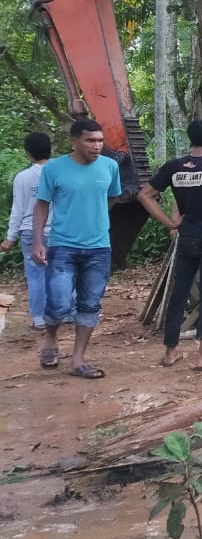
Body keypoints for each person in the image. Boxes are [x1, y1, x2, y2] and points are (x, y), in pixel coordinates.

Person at [139, 119, 202, 371]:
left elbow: (144, 195)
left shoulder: (173, 167)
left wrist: (170, 222)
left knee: (179, 291)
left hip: (187, 236)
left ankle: (170, 352)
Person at [32, 119, 122, 378]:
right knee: (58, 303)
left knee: (89, 304)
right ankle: (51, 339)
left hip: (99, 247)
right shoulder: (54, 168)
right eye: (90, 140)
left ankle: (78, 360)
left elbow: (112, 196)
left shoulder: (110, 166)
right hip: (62, 245)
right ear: (74, 142)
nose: (97, 146)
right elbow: (42, 205)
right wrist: (37, 241)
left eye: (100, 141)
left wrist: (95, 217)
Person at [2, 132, 53, 330]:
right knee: (62, 271)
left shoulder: (23, 177)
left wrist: (10, 237)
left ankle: (39, 317)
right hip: (58, 231)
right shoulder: (59, 173)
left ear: (28, 154)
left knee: (35, 274)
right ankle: (66, 312)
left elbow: (18, 209)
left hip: (31, 232)